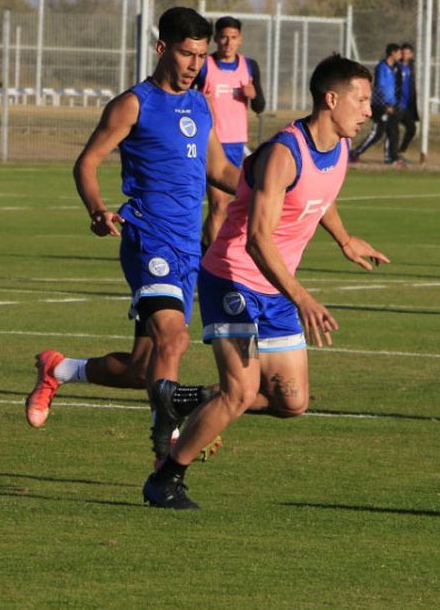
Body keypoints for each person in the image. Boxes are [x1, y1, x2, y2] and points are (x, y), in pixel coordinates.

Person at [143, 53, 390, 509]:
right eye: (361, 100)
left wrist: (344, 240)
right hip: (232, 281)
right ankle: (167, 477)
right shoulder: (282, 153)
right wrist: (303, 298)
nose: (368, 110)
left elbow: (320, 195)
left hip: (274, 288)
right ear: (331, 99)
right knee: (238, 394)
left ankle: (182, 398)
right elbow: (256, 240)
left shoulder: (337, 148)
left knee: (291, 402)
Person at [26, 7, 240, 464]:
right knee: (175, 339)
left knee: (142, 368)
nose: (193, 65)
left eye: (201, 56)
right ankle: (169, 446)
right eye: (186, 54)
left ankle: (59, 369)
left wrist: (265, 192)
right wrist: (97, 209)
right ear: (163, 48)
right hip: (148, 238)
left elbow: (218, 169)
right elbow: (86, 162)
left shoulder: (200, 104)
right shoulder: (134, 104)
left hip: (187, 250)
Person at [196, 15, 266, 250]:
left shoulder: (249, 66)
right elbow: (187, 95)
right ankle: (212, 259)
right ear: (216, 39)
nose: (228, 42)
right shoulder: (205, 65)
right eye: (224, 37)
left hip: (237, 143)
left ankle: (208, 251)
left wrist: (253, 95)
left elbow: (260, 106)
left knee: (232, 205)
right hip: (211, 142)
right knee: (218, 204)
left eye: (233, 38)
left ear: (240, 40)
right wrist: (200, 100)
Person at [350, 43, 402, 166]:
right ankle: (355, 153)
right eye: (398, 53)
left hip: (391, 104)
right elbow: (381, 87)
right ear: (392, 53)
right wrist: (386, 104)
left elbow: (393, 87)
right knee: (377, 133)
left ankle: (390, 157)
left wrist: (394, 103)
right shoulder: (382, 68)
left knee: (392, 131)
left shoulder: (393, 69)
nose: (400, 55)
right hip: (381, 106)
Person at [392, 42, 419, 163]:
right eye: (403, 53)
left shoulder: (411, 67)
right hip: (397, 105)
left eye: (408, 53)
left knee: (412, 128)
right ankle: (393, 155)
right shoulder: (396, 66)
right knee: (391, 130)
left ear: (411, 54)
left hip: (406, 106)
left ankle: (400, 152)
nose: (405, 55)